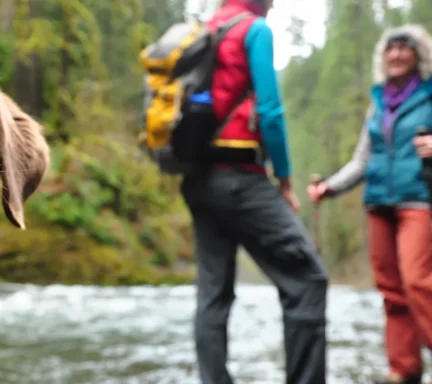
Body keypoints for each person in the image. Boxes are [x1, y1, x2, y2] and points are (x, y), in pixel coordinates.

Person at [307, 24, 432, 384]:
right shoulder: (379, 101)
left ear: (419, 55)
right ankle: (404, 368)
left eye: (404, 47)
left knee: (419, 283)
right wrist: (329, 188)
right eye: (390, 49)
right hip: (379, 203)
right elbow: (361, 161)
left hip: (422, 198)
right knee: (391, 291)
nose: (396, 54)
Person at [180, 1, 329, 383]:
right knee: (308, 279)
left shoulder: (206, 28)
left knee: (212, 295)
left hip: (198, 180)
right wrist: (283, 178)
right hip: (239, 175)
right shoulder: (254, 30)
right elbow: (271, 111)